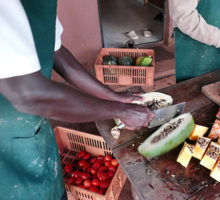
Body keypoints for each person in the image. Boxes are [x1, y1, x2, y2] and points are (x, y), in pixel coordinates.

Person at [0, 1, 154, 199]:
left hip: (33, 129)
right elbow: (28, 94)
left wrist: (113, 95)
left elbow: (57, 53)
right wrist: (121, 111)